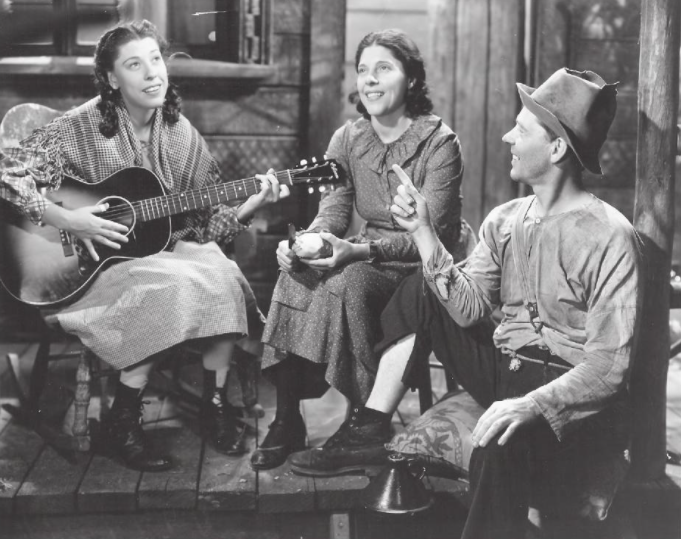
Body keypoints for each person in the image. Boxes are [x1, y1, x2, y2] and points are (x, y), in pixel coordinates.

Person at [287, 68, 643, 538]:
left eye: (522, 130)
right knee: (423, 287)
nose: (507, 137)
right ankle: (371, 423)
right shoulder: (505, 220)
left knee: (498, 442)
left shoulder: (610, 236)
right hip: (504, 368)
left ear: (557, 149)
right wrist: (423, 233)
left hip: (566, 390)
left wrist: (530, 405)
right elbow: (469, 308)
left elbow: (609, 365)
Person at [0, 20, 288, 471]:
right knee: (169, 285)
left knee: (223, 274)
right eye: (135, 65)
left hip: (160, 252)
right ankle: (124, 419)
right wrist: (68, 218)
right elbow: (7, 174)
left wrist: (249, 205)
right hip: (90, 267)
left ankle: (214, 402)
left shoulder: (181, 134)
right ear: (112, 78)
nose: (153, 73)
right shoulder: (80, 127)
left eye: (156, 59)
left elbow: (205, 225)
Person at [251, 29, 471, 471]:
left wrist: (356, 252)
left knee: (350, 280)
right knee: (295, 274)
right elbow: (334, 209)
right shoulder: (348, 138)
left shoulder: (440, 143)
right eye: (363, 70)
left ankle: (363, 424)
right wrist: (306, 243)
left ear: (412, 79)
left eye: (383, 69)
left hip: (420, 266)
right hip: (364, 252)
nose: (369, 80)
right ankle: (287, 419)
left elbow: (431, 236)